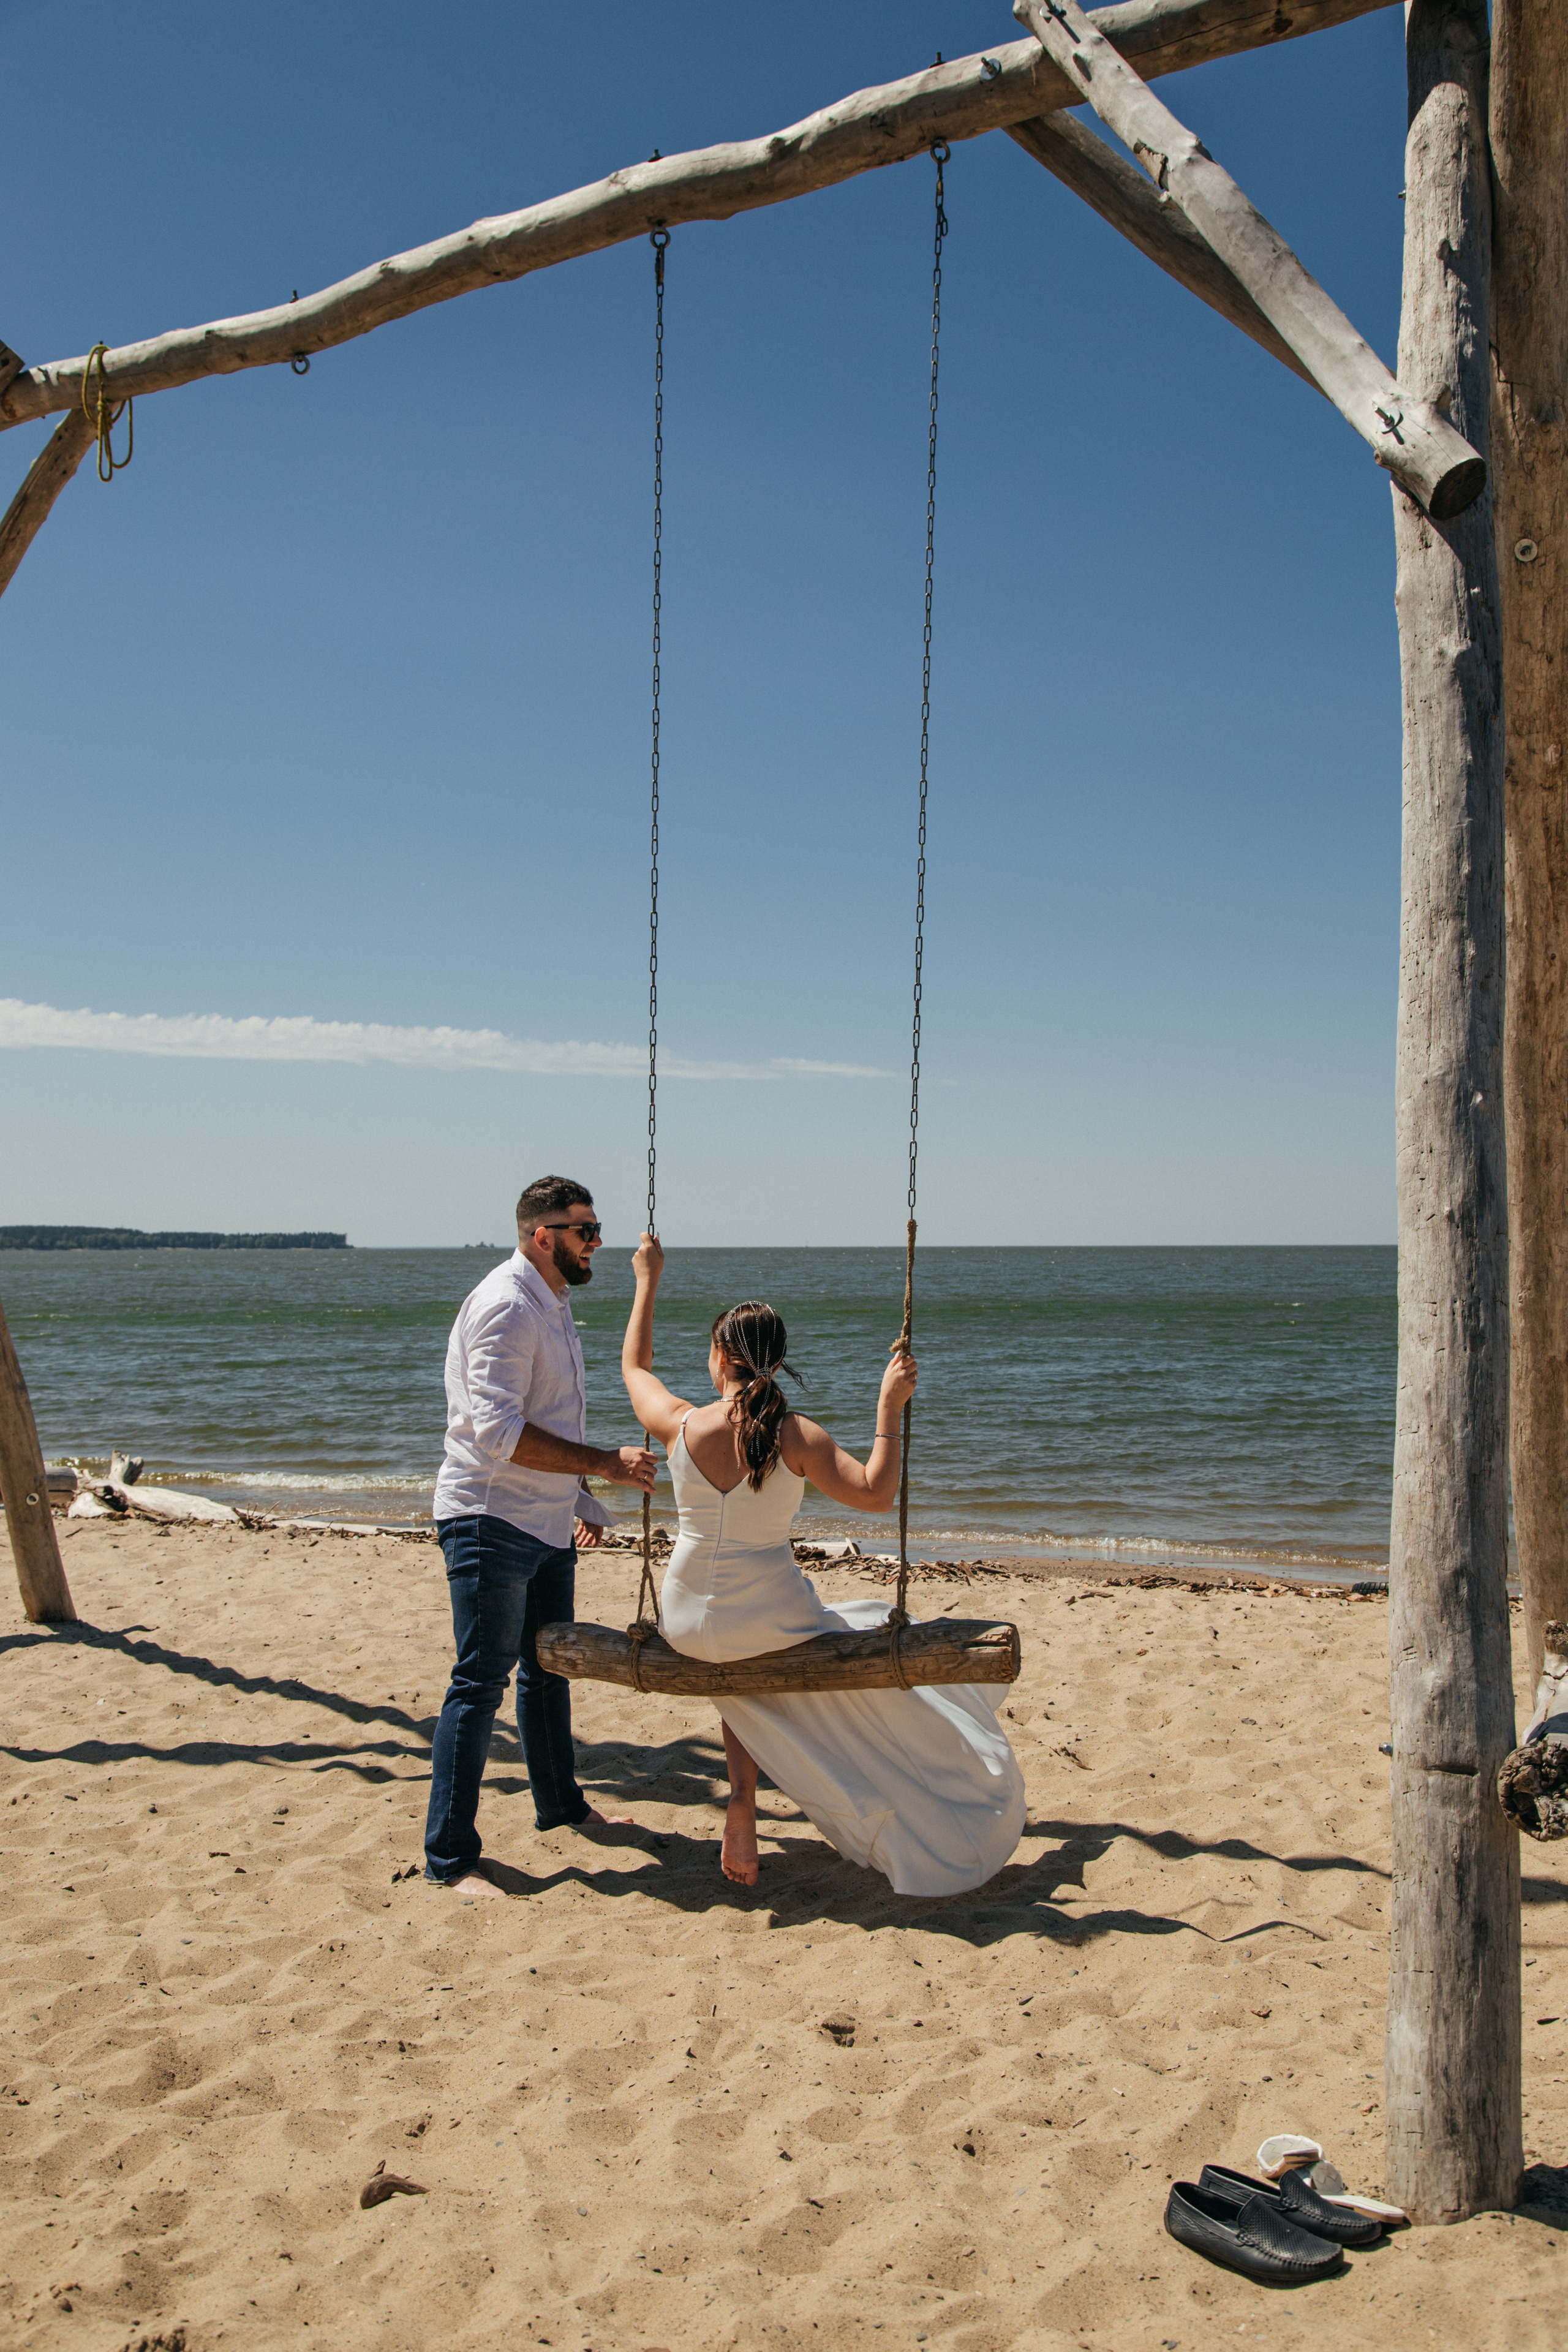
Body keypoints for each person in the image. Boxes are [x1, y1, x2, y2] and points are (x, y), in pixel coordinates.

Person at [620, 1234, 1026, 1895]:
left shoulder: (681, 1424)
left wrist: (647, 1279)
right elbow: (875, 1492)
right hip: (768, 1619)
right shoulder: (795, 1434)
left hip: (685, 1620)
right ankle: (760, 1801)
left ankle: (741, 1804)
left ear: (720, 1356)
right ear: (774, 1365)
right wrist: (888, 1408)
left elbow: (634, 1367)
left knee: (740, 1664)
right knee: (849, 1628)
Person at [424, 1177, 657, 1894]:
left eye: (595, 1229)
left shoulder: (550, 1301)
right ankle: (451, 1859)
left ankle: (560, 1807)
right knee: (479, 1683)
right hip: (490, 1518)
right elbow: (495, 1433)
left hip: (545, 1518)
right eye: (583, 1231)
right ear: (541, 1235)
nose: (595, 1243)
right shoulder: (507, 1305)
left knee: (548, 1668)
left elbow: (547, 1415)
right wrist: (602, 1465)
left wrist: (579, 1496)